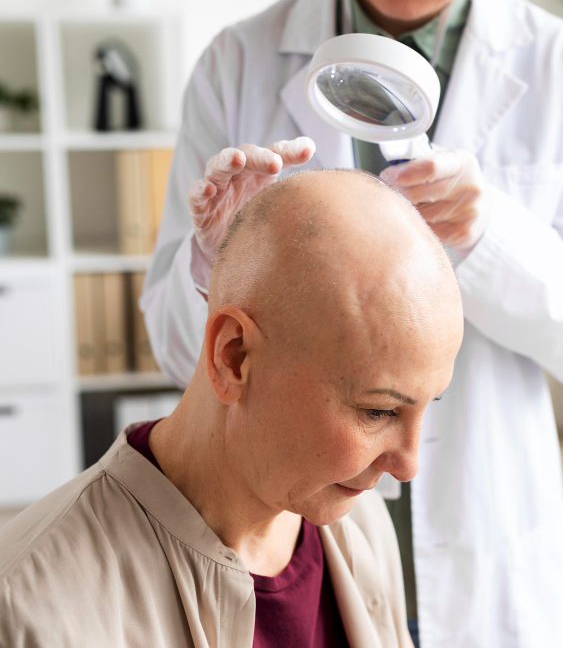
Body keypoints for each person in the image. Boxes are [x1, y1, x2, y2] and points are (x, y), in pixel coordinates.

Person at [142, 0, 563, 645]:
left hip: (480, 507)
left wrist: (488, 235)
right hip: (292, 517)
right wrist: (220, 260)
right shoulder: (237, 62)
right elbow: (183, 351)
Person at [0, 170, 464, 648]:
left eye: (430, 404)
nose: (408, 467)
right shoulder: (31, 609)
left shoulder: (358, 522)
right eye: (379, 412)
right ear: (234, 356)